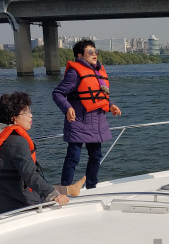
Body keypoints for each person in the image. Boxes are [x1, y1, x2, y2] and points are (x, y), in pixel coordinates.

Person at [0, 92, 86, 215]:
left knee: (40, 189)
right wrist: (56, 197)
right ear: (13, 117)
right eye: (26, 112)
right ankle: (67, 191)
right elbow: (30, 176)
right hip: (5, 202)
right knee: (48, 201)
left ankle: (71, 189)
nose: (31, 115)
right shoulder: (16, 141)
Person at [52, 39, 122, 189]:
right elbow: (57, 93)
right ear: (80, 55)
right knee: (73, 158)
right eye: (90, 52)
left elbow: (99, 96)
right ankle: (64, 189)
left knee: (96, 157)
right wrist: (67, 108)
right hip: (79, 122)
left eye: (95, 51)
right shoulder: (75, 73)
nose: (94, 54)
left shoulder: (98, 72)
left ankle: (91, 187)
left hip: (97, 123)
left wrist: (111, 106)